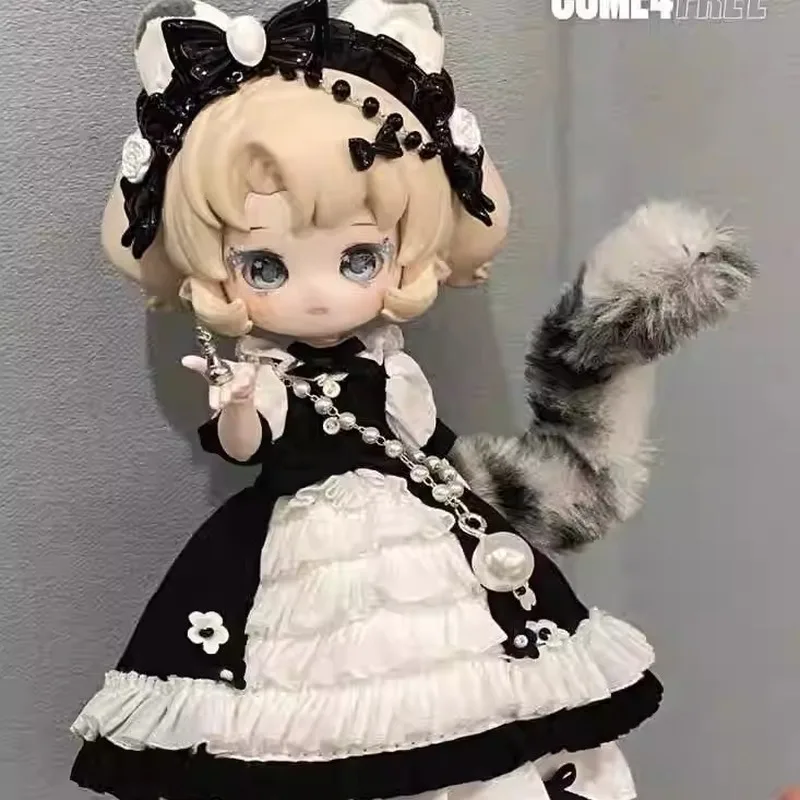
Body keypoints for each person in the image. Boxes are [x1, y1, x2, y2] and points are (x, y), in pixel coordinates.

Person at [69, 1, 755, 798]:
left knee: (472, 678)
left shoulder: (390, 369)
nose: (320, 295)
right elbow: (246, 443)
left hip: (417, 524)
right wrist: (239, 400)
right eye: (266, 268)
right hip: (306, 548)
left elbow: (424, 443)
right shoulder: (269, 377)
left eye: (359, 258)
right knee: (318, 704)